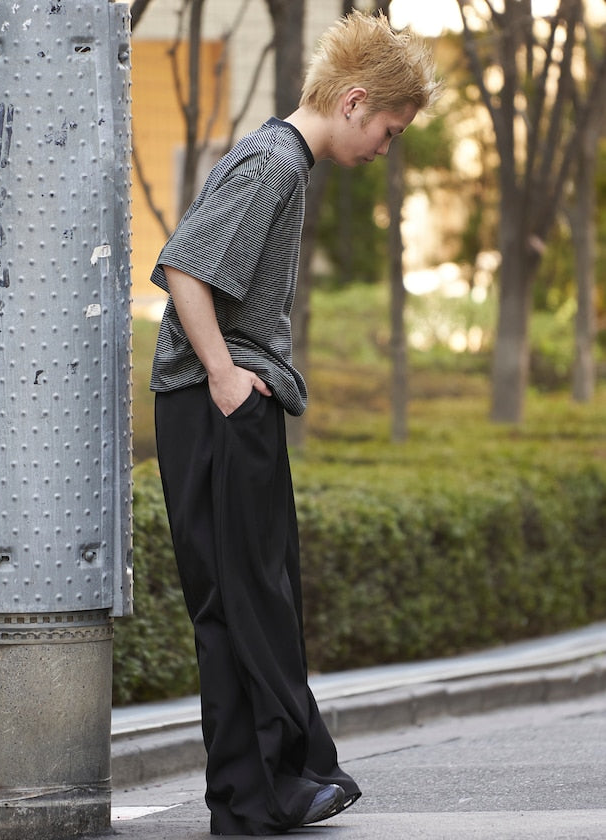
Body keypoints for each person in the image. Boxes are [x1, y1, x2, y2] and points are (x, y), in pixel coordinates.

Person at [149, 10, 440, 835]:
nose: (388, 144)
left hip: (222, 403)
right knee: (243, 600)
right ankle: (262, 792)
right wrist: (226, 378)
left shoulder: (282, 162)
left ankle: (270, 789)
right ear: (353, 102)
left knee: (252, 599)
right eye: (390, 127)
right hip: (217, 407)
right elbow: (183, 269)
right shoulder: (274, 163)